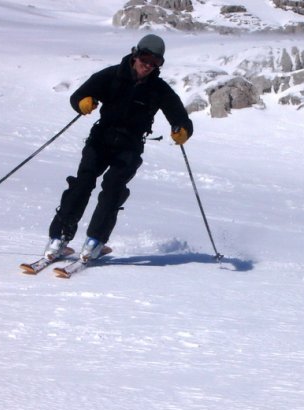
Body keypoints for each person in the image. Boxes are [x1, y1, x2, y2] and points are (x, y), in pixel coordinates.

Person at [44, 34, 193, 262]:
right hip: (100, 139)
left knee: (113, 189)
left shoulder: (158, 89)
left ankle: (95, 241)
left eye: (156, 63)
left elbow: (179, 116)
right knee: (82, 184)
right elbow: (78, 96)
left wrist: (182, 129)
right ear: (135, 54)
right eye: (145, 59)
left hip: (130, 146)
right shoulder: (112, 75)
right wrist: (83, 103)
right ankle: (59, 238)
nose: (148, 66)